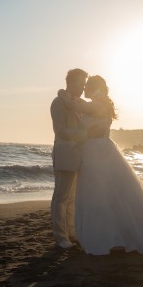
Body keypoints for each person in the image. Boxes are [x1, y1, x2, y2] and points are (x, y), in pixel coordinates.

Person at [59, 75, 143, 255]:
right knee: (108, 194)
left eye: (87, 87)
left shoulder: (97, 104)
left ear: (94, 88)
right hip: (97, 150)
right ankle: (113, 234)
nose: (84, 90)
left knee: (97, 195)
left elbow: (74, 106)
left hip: (96, 152)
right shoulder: (100, 104)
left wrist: (63, 93)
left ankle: (104, 237)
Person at [50, 68, 89, 249]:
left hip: (79, 155)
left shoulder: (80, 103)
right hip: (65, 153)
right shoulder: (58, 103)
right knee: (61, 197)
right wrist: (84, 135)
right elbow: (60, 130)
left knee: (73, 197)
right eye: (80, 83)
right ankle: (61, 236)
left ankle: (72, 232)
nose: (82, 87)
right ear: (71, 82)